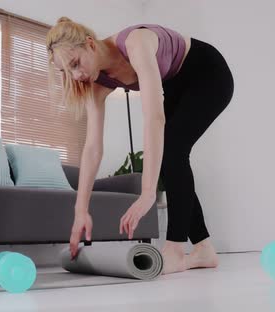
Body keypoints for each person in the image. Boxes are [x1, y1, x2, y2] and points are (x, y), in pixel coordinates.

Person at [46, 17, 234, 274]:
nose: (76, 75)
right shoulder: (95, 85)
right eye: (67, 72)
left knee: (172, 151)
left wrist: (148, 194)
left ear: (90, 44)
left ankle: (175, 250)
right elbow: (92, 148)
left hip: (207, 72)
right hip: (176, 85)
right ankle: (203, 249)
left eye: (76, 64)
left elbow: (154, 119)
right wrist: (81, 210)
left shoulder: (135, 43)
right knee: (169, 156)